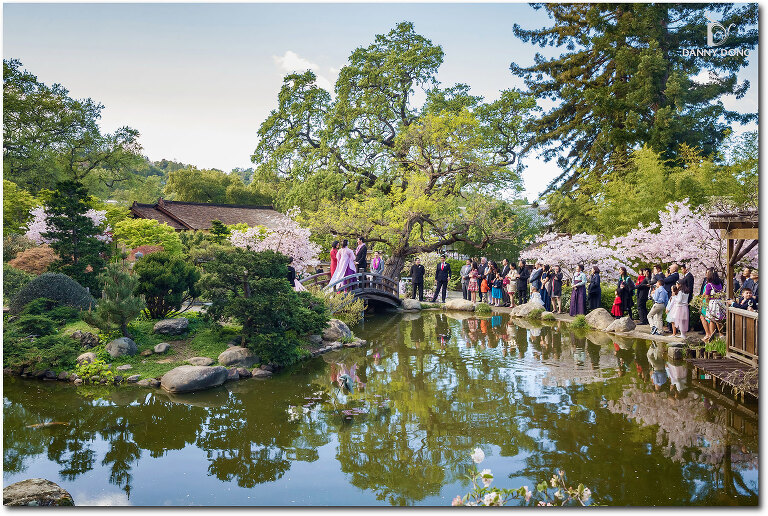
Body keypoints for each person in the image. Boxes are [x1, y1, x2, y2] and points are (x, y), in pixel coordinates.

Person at [700, 268, 724, 343]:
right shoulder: (719, 284)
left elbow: (707, 296)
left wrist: (706, 304)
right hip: (719, 302)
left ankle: (711, 337)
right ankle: (721, 335)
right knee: (718, 319)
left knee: (711, 320)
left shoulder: (709, 285)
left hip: (712, 303)